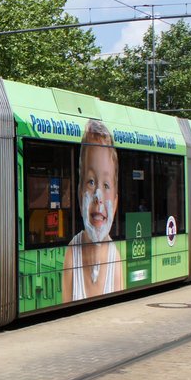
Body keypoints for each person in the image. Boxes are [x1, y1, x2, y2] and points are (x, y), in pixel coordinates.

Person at [61, 119, 125, 301]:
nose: (98, 195)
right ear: (80, 195)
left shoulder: (116, 258)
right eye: (91, 182)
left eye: (106, 185)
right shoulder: (72, 253)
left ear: (116, 202)